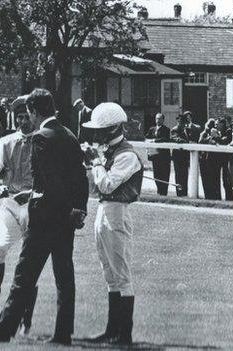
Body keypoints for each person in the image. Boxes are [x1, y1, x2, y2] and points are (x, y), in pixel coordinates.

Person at [0, 88, 89, 345]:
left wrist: (36, 197)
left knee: (24, 276)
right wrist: (78, 208)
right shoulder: (69, 135)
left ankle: (3, 330)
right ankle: (63, 333)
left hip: (45, 218)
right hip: (66, 220)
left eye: (29, 114)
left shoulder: (41, 138)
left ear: (34, 111)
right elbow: (80, 177)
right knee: (64, 276)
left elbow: (50, 183)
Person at [81, 102, 143, 346]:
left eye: (100, 130)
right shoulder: (109, 152)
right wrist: (94, 161)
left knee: (121, 272)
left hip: (117, 210)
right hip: (105, 209)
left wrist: (96, 162)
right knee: (109, 272)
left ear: (113, 129)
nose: (96, 135)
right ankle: (111, 329)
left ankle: (124, 333)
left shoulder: (126, 155)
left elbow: (106, 185)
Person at [0, 95, 38, 334]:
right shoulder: (7, 142)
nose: (23, 121)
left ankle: (26, 317)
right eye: (19, 117)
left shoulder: (42, 141)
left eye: (26, 116)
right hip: (11, 204)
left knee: (29, 260)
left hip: (35, 205)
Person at [145, 113, 171, 195]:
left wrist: (155, 141)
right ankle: (159, 191)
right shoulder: (152, 129)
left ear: (163, 120)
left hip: (163, 156)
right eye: (157, 118)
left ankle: (164, 192)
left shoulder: (166, 129)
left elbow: (165, 139)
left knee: (164, 174)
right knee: (156, 175)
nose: (158, 120)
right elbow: (147, 137)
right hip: (155, 156)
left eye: (160, 119)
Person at [199, 119, 222, 200]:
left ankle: (216, 197)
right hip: (204, 160)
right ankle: (208, 196)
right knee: (206, 179)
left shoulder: (217, 134)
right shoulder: (204, 134)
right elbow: (200, 141)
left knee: (215, 179)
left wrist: (215, 137)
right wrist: (209, 138)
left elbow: (220, 142)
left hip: (214, 160)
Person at [170, 114, 190, 196]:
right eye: (180, 122)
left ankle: (184, 192)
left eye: (183, 122)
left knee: (185, 174)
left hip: (185, 156)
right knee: (179, 175)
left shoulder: (187, 130)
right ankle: (179, 193)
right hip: (178, 156)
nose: (181, 124)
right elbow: (176, 138)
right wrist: (185, 142)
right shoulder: (175, 129)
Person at [216, 118, 233, 200]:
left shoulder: (228, 131)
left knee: (226, 180)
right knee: (220, 179)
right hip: (219, 158)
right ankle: (219, 197)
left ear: (222, 124)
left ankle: (229, 197)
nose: (217, 126)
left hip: (227, 159)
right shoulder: (218, 131)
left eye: (218, 124)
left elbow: (225, 141)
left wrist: (216, 138)